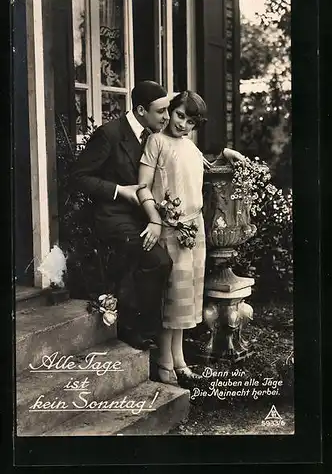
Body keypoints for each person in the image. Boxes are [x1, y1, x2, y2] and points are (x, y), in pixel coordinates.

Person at [137, 90, 245, 385]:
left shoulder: (190, 145)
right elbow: (142, 187)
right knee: (171, 296)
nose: (183, 124)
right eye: (179, 115)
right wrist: (155, 218)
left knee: (186, 297)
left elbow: (203, 165)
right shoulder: (156, 141)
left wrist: (225, 153)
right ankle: (164, 362)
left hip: (193, 227)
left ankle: (180, 361)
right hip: (170, 227)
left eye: (191, 121)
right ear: (170, 111)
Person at [71, 81, 173, 350]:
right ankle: (131, 326)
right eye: (161, 111)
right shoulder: (110, 134)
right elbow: (78, 177)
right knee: (156, 260)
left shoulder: (156, 136)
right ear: (141, 110)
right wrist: (119, 190)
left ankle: (156, 332)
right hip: (114, 215)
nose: (167, 117)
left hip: (145, 215)